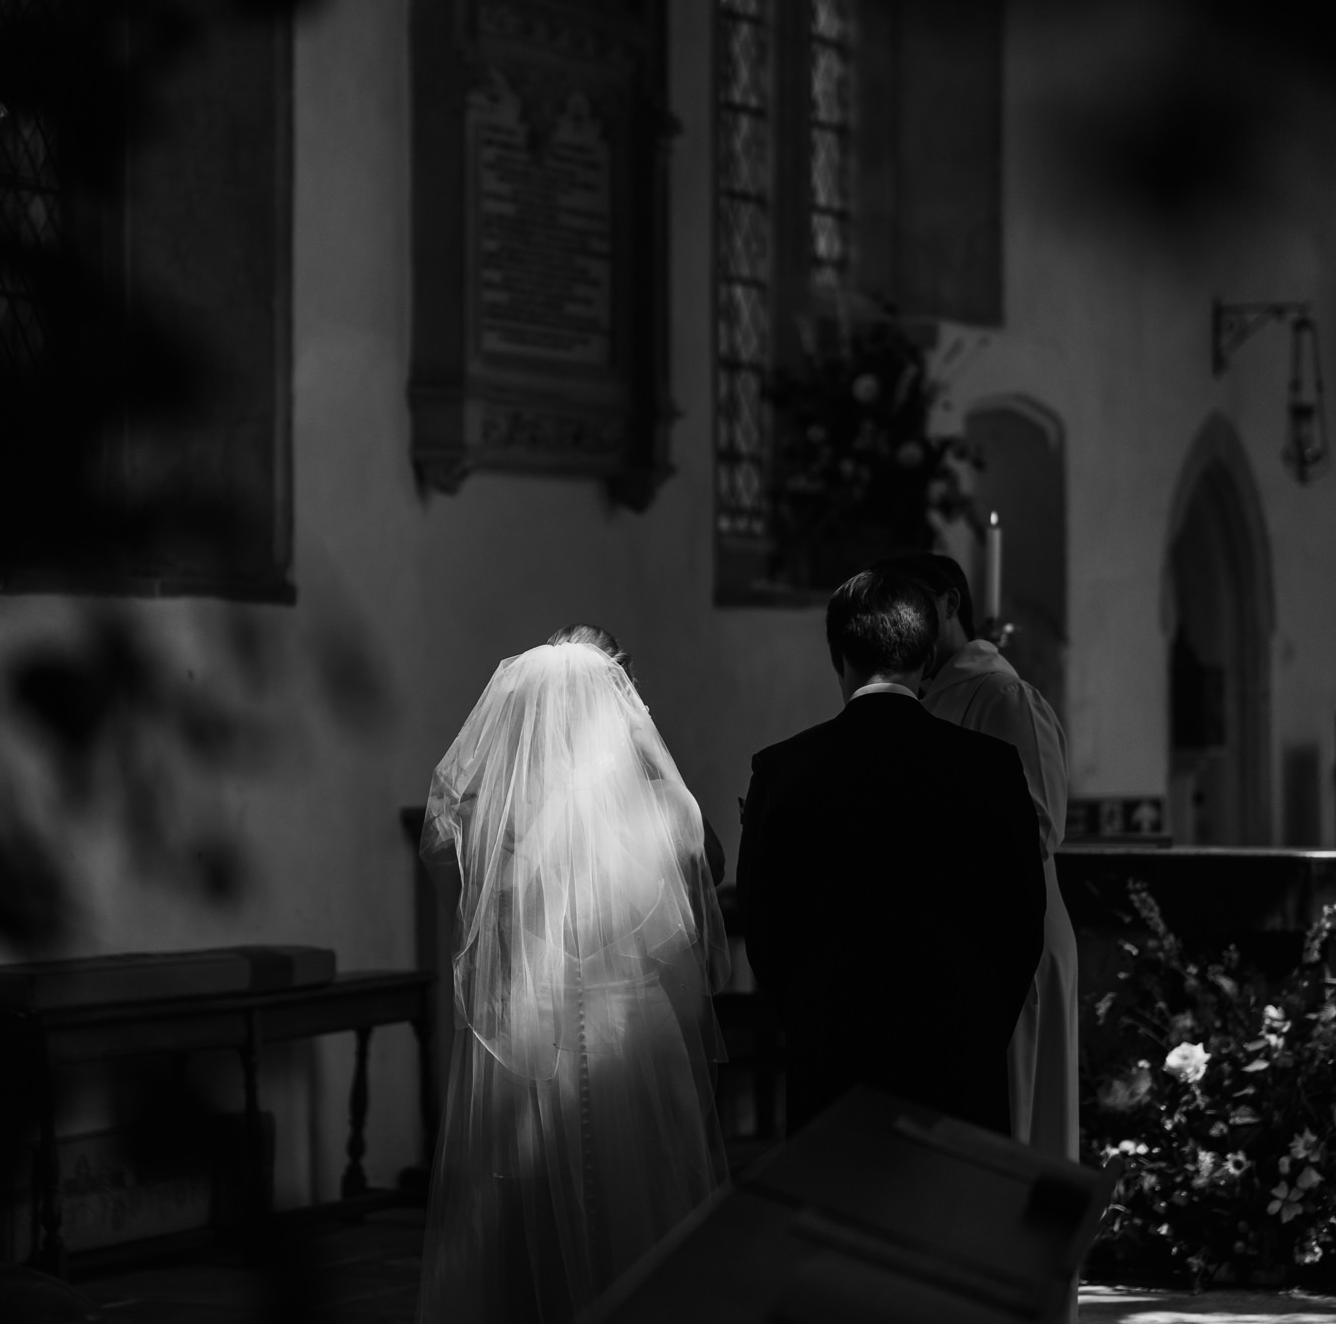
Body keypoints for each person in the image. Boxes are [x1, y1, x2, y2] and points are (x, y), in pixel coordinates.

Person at [416, 626, 729, 1323]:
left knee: (531, 1198)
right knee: (640, 1191)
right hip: (628, 1018)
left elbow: (446, 855)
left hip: (532, 1022)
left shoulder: (505, 806)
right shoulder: (644, 802)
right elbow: (703, 862)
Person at [735, 569, 1044, 1135]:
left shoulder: (782, 771)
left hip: (834, 1066)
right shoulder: (989, 768)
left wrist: (814, 1025)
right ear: (929, 659)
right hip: (959, 1057)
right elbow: (1022, 919)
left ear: (838, 657)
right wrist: (975, 1029)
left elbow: (765, 929)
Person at [882, 550, 1081, 1164]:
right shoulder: (920, 697)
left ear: (947, 605)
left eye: (915, 603)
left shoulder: (1002, 695)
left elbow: (1040, 822)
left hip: (1012, 930)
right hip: (956, 939)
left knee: (1019, 1114)